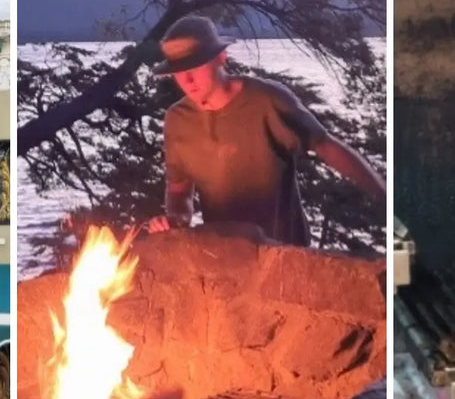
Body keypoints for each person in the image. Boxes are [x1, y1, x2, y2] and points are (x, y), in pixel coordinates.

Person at [143, 15, 386, 246]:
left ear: (221, 58)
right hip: (226, 255)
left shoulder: (266, 100)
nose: (188, 81)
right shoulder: (178, 120)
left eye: (195, 67)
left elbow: (325, 146)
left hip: (286, 252)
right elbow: (179, 189)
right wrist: (176, 219)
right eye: (179, 73)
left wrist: (384, 196)